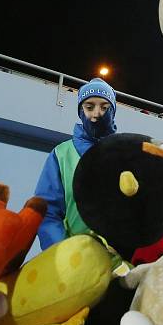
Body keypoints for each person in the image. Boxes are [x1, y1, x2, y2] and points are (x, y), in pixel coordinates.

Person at [35, 78, 118, 249]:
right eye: (89, 107)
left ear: (113, 111)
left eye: (104, 107)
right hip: (76, 261)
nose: (96, 114)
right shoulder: (61, 154)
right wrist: (60, 254)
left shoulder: (127, 153)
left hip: (122, 261)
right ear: (80, 111)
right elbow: (47, 212)